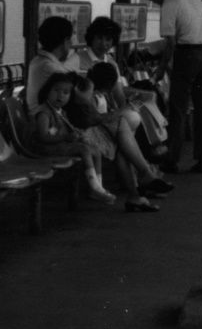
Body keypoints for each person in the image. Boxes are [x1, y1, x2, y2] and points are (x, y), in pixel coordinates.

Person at [138, 0, 202, 174]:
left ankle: (171, 159)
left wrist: (160, 70)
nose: (152, 1)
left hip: (186, 56)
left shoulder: (169, 3)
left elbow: (170, 43)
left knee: (177, 109)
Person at [67, 69, 163, 213]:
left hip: (97, 135)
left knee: (123, 145)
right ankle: (143, 179)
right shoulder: (84, 103)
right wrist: (128, 107)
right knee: (122, 134)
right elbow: (97, 119)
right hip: (89, 137)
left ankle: (139, 189)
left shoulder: (87, 100)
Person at [29, 71, 114, 204]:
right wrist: (66, 137)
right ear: (47, 91)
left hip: (58, 145)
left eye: (65, 92)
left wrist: (77, 134)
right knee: (84, 150)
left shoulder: (61, 112)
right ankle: (94, 186)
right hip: (44, 148)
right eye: (56, 90)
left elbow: (65, 130)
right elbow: (43, 137)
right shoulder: (44, 113)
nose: (60, 95)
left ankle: (98, 188)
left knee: (95, 151)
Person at [25, 15, 75, 112]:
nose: (71, 43)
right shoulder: (50, 67)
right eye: (70, 39)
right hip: (48, 121)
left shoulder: (37, 61)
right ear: (65, 41)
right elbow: (75, 97)